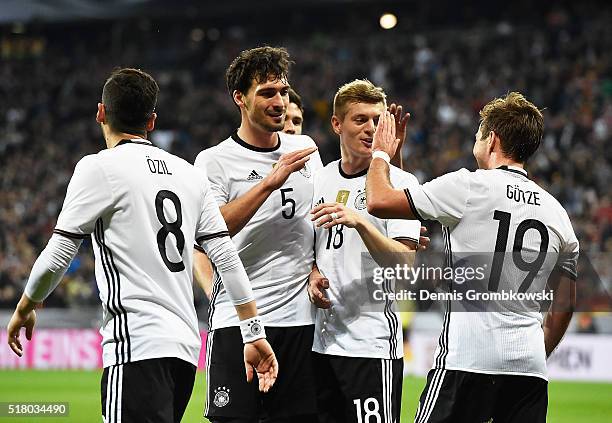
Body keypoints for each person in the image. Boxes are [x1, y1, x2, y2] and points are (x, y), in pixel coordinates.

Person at [6, 68, 278, 423]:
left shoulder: (98, 168)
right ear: (152, 121)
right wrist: (253, 331)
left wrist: (26, 305)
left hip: (136, 345)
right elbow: (226, 258)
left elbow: (58, 254)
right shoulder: (188, 173)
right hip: (183, 353)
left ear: (101, 112)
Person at [366, 92, 579, 422]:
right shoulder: (557, 213)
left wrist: (381, 152)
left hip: (467, 361)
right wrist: (538, 352)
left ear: (491, 140)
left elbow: (379, 201)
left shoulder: (466, 186)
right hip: (529, 370)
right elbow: (564, 303)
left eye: (478, 134)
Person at [193, 46, 322, 422]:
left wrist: (316, 266)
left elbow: (317, 220)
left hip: (299, 321)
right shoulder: (214, 161)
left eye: (282, 91)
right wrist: (269, 182)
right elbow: (210, 231)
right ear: (240, 99)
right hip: (237, 322)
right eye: (267, 93)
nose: (279, 101)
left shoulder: (306, 149)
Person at [307, 79, 422, 423]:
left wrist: (361, 222)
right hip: (321, 345)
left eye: (377, 119)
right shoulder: (320, 180)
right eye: (360, 119)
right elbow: (312, 251)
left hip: (371, 348)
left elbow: (405, 263)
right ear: (337, 124)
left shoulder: (401, 184)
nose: (371, 128)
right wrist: (312, 274)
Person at [194, 87, 307, 299]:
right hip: (247, 308)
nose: (290, 128)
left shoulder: (309, 154)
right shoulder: (219, 160)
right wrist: (215, 293)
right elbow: (199, 245)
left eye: (297, 121)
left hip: (303, 313)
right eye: (287, 119)